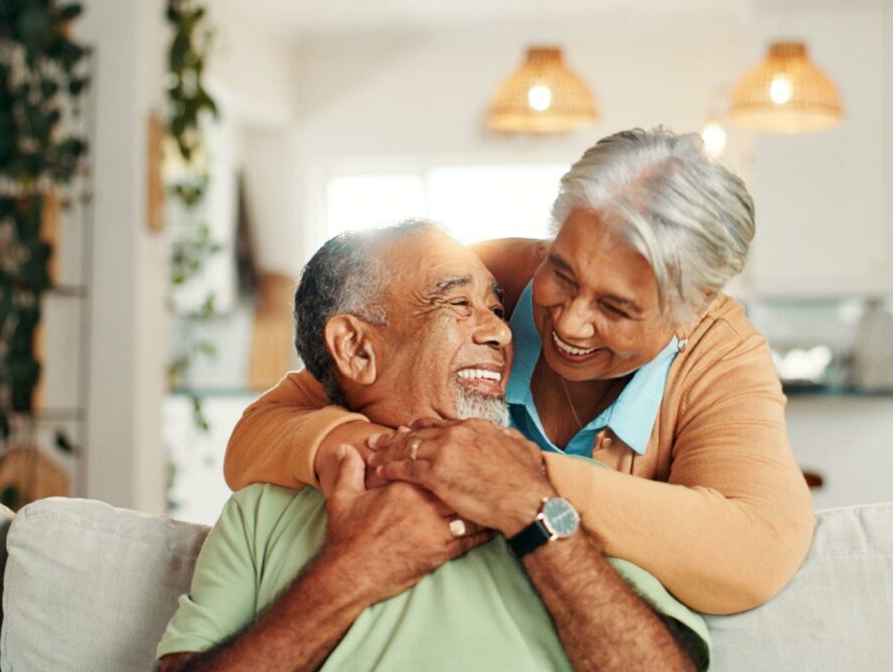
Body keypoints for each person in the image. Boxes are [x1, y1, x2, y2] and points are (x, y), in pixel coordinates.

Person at [225, 127, 815, 615]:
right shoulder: (484, 280)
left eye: (616, 308)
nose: (571, 324)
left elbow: (753, 550)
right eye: (562, 272)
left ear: (694, 307)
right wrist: (398, 450)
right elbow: (268, 423)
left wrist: (517, 480)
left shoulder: (721, 352)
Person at [157, 222, 709, 672]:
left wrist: (531, 512)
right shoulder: (261, 514)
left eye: (494, 308)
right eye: (458, 305)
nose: (501, 333)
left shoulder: (560, 493)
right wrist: (357, 568)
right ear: (356, 348)